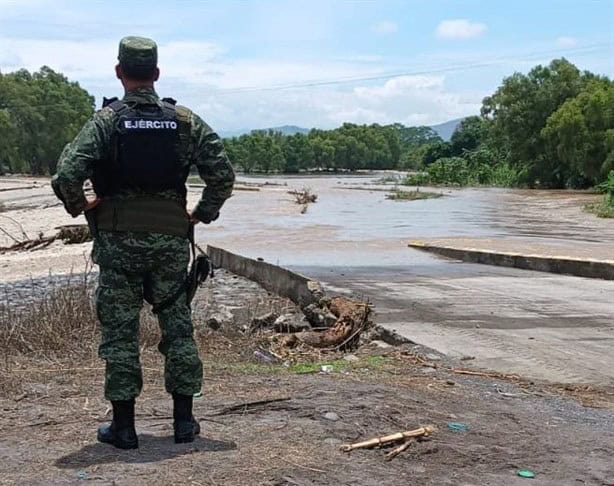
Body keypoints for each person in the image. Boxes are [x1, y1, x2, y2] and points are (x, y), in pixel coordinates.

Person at [52, 36, 235, 449]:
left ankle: (124, 428)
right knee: (178, 329)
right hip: (171, 243)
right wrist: (200, 214)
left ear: (119, 72)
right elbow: (222, 175)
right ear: (156, 73)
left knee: (120, 334)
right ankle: (184, 425)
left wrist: (85, 206)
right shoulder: (185, 121)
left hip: (118, 244)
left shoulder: (107, 121)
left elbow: (66, 173)